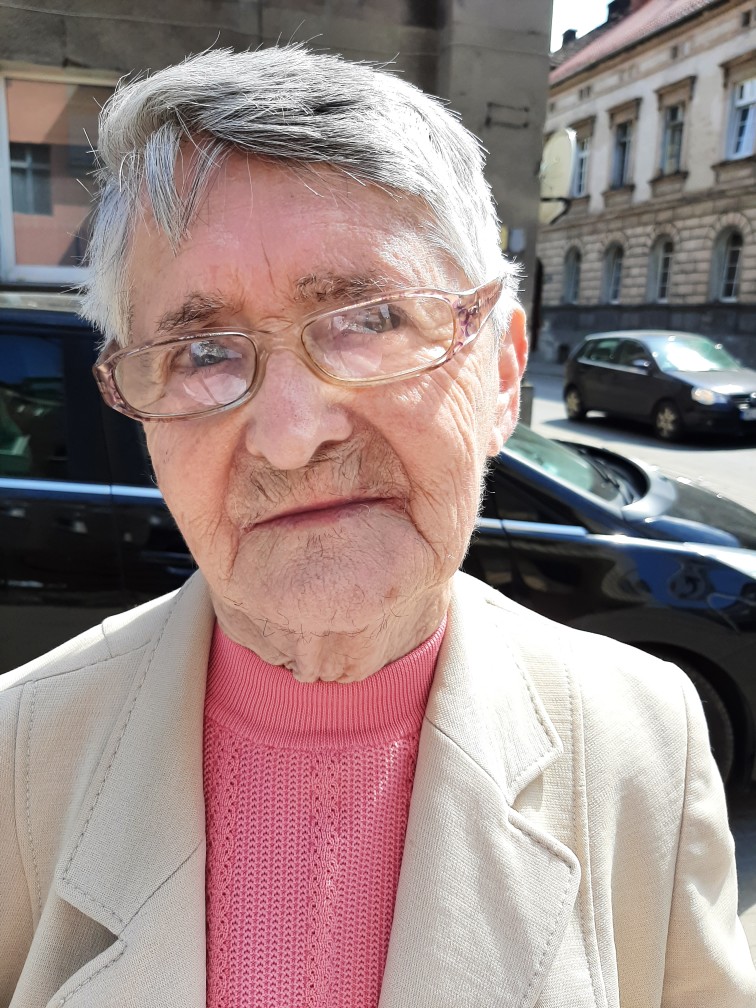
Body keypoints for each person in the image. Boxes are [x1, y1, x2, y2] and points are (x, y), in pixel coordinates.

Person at [1, 46, 754, 1008]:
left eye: (368, 318)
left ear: (503, 374)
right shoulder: (18, 753)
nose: (290, 436)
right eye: (203, 351)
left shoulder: (645, 738)